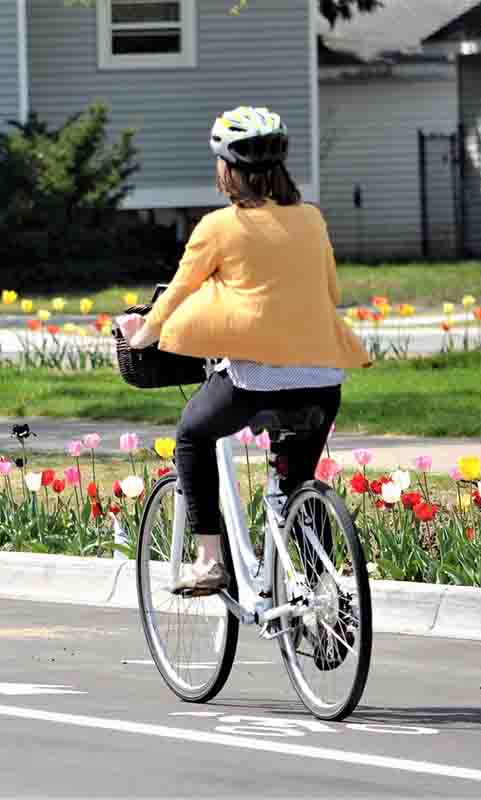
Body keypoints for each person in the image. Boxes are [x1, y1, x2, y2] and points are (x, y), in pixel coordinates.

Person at [119, 106, 371, 595]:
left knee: (191, 435)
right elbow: (331, 293)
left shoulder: (218, 227)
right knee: (296, 485)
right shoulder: (312, 219)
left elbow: (176, 293)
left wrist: (140, 335)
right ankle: (323, 598)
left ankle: (209, 559)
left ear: (227, 169)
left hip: (256, 383)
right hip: (323, 381)